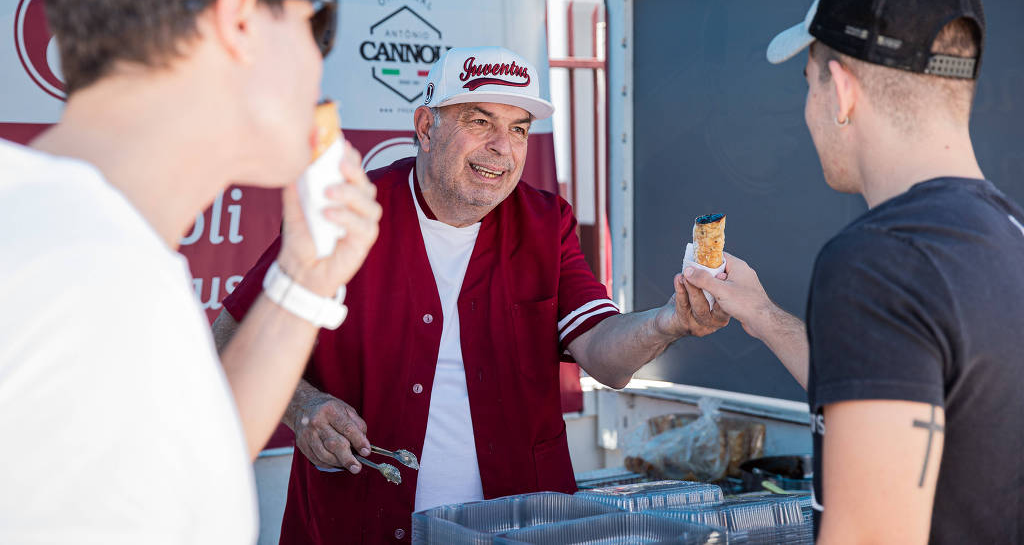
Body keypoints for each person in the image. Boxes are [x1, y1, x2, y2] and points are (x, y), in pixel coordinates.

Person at [0, 0, 381, 542]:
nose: (320, 57)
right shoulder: (84, 278)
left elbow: (176, 473)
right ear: (239, 18)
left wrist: (305, 283)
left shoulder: (79, 243)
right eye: (312, 18)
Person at [213, 45, 732, 543]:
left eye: (519, 129)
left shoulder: (546, 223)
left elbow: (604, 356)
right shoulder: (346, 213)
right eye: (479, 121)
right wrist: (304, 405)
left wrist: (668, 322)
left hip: (518, 528)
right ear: (426, 127)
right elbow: (228, 339)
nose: (502, 148)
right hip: (356, 524)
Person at [685, 0, 1024, 544]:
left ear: (840, 89)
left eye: (807, 83)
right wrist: (762, 316)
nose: (807, 110)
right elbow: (905, 390)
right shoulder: (1005, 234)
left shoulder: (877, 261)